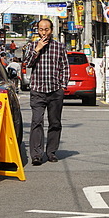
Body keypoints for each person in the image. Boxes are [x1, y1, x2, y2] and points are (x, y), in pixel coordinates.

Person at [22, 18, 69, 166]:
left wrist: (62, 86)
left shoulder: (59, 47)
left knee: (55, 122)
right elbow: (27, 63)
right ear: (37, 30)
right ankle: (36, 154)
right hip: (38, 90)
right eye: (41, 30)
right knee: (37, 121)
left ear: (51, 30)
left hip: (55, 90)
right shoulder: (31, 46)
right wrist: (37, 49)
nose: (44, 33)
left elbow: (65, 67)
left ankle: (51, 152)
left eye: (46, 29)